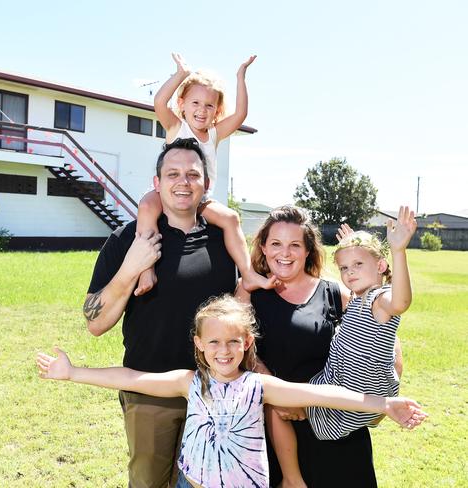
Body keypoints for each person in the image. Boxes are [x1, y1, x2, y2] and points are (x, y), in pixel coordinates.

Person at [38, 295, 426, 488]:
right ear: (199, 345)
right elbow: (131, 378)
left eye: (232, 342)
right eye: (214, 343)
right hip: (192, 482)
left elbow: (325, 396)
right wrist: (73, 373)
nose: (223, 351)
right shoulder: (189, 382)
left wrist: (385, 403)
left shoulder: (260, 387)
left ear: (246, 344)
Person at [83, 137, 238, 487]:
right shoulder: (129, 239)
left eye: (192, 175)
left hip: (214, 393)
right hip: (149, 392)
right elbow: (95, 323)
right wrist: (131, 269)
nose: (183, 182)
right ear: (157, 184)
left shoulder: (222, 241)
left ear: (206, 185)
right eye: (172, 174)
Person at [236, 205, 404, 488]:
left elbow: (384, 338)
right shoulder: (249, 291)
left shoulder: (335, 292)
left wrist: (373, 403)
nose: (285, 253)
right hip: (276, 426)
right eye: (276, 244)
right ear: (263, 247)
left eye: (294, 245)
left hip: (336, 426)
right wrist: (281, 395)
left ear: (307, 250)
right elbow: (239, 350)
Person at [134, 53, 264, 297]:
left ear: (216, 111)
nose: (201, 111)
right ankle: (145, 269)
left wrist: (240, 77)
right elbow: (160, 103)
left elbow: (240, 115)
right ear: (182, 103)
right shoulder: (176, 126)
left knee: (231, 218)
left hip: (200, 200)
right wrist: (181, 74)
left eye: (209, 105)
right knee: (146, 207)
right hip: (167, 195)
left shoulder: (214, 134)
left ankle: (247, 273)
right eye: (195, 103)